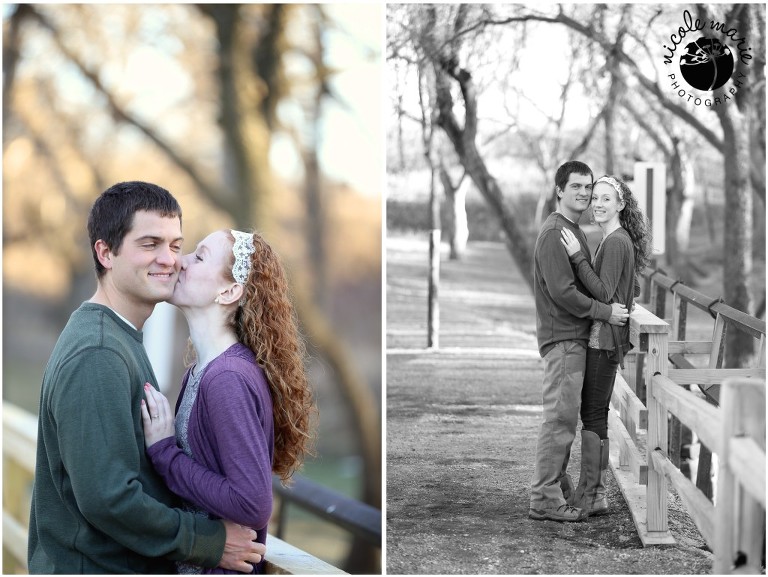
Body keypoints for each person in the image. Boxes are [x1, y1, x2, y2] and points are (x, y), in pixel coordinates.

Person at [28, 182, 265, 574]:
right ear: (105, 252)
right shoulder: (98, 353)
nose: (170, 259)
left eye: (175, 245)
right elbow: (109, 499)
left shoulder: (120, 336)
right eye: (150, 243)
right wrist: (207, 541)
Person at [140, 228, 315, 574]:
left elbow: (252, 503)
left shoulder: (227, 379)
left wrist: (164, 453)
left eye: (199, 256)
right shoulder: (203, 371)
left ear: (230, 290)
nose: (180, 261)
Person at [528, 161, 630, 523]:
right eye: (577, 187)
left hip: (576, 338)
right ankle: (543, 498)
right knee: (558, 421)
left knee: (567, 419)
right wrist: (605, 313)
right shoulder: (556, 233)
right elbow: (563, 292)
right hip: (564, 339)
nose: (585, 194)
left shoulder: (575, 232)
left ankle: (559, 489)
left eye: (589, 187)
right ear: (559, 190)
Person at [560, 175, 650, 516]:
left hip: (603, 341)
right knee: (592, 412)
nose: (597, 203)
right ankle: (589, 491)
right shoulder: (617, 239)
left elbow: (604, 293)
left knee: (594, 413)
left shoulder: (614, 242)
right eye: (594, 197)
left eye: (606, 199)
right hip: (603, 338)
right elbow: (631, 289)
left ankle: (594, 495)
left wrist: (576, 257)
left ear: (620, 205)